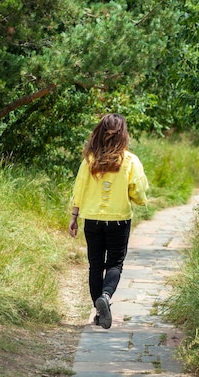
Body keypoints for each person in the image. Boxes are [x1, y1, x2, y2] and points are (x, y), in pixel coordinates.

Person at [68, 113, 149, 329]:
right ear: (123, 134)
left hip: (92, 219)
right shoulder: (130, 160)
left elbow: (79, 189)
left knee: (95, 265)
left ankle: (99, 312)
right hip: (119, 220)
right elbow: (138, 191)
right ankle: (106, 295)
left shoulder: (89, 160)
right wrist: (140, 200)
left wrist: (74, 217)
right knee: (115, 263)